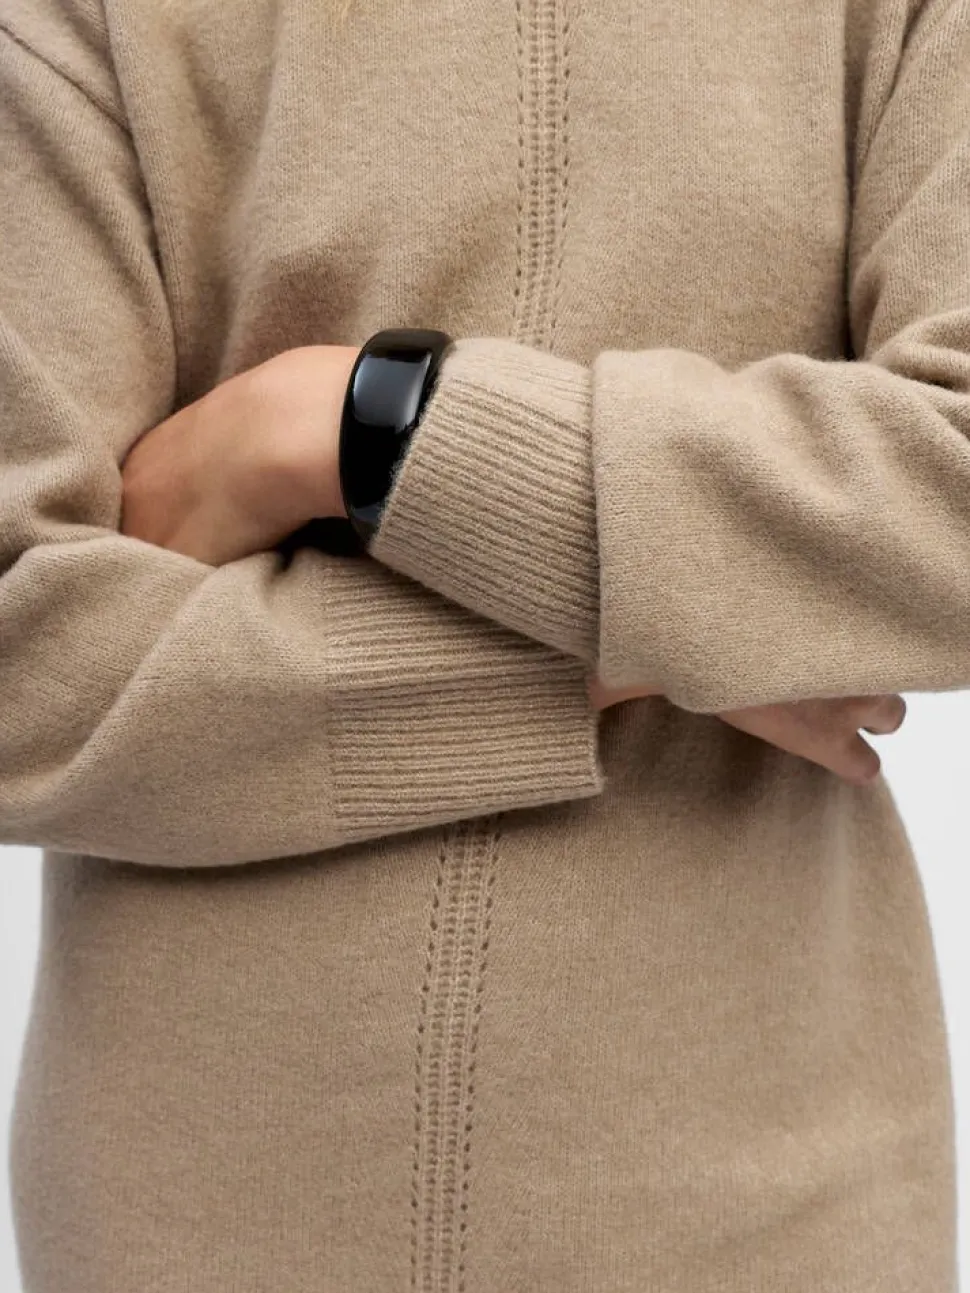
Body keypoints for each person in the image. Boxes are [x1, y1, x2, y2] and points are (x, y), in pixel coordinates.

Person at [1, 0, 966, 1287]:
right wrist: (659, 630)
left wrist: (355, 425)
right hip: (195, 1212)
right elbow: (22, 663)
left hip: (778, 1205)